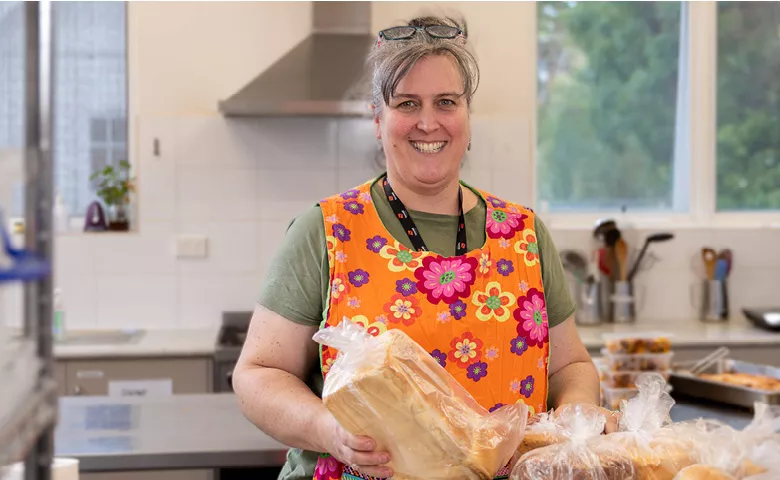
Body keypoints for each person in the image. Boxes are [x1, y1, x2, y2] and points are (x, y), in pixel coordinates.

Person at [232, 13, 611, 480]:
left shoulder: (524, 233)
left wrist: (575, 417)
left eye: (446, 102)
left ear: (467, 116)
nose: (428, 123)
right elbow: (257, 375)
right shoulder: (327, 231)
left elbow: (569, 365)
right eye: (407, 103)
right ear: (378, 119)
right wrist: (329, 431)